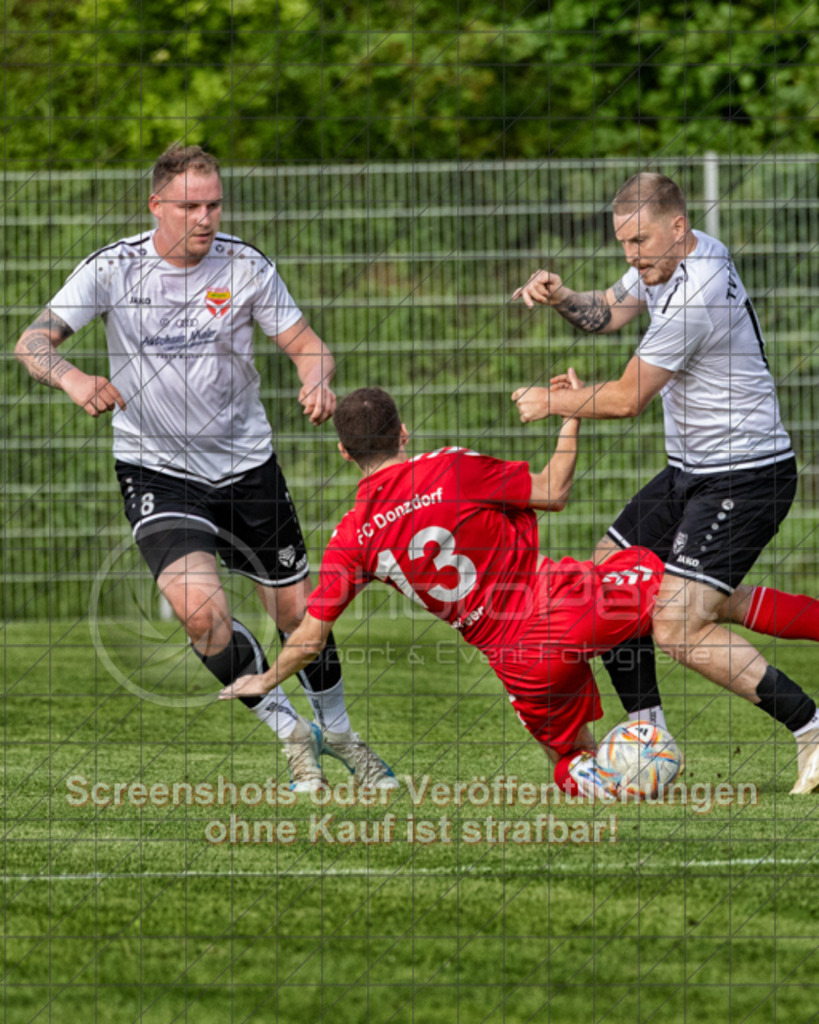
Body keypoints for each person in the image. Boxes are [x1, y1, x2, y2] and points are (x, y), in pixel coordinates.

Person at [14, 143, 395, 793]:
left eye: (213, 203)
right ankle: (288, 731)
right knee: (199, 615)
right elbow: (32, 342)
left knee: (297, 615)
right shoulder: (114, 270)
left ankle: (337, 731)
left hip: (247, 467)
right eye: (190, 205)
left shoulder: (244, 266)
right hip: (156, 468)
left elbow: (307, 346)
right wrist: (73, 377)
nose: (204, 216)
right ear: (156, 205)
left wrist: (316, 381)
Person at [218, 387, 819, 796]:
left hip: (516, 660)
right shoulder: (449, 467)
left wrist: (265, 680)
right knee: (709, 598)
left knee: (568, 758)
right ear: (404, 431)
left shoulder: (354, 536)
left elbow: (311, 634)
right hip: (562, 601)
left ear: (346, 452)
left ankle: (606, 779)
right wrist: (570, 419)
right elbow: (554, 489)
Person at [511, 171, 819, 794]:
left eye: (640, 241)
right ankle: (650, 740)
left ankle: (812, 729)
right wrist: (565, 295)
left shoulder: (695, 291)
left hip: (746, 474)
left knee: (678, 625)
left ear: (678, 228)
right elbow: (608, 312)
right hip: (692, 472)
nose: (631, 255)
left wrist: (553, 402)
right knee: (602, 588)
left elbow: (628, 399)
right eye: (624, 243)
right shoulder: (675, 258)